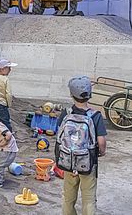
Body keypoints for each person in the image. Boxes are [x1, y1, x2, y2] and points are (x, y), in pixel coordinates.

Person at [55, 75, 107, 215]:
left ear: (71, 94)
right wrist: (101, 152)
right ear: (90, 95)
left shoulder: (66, 113)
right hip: (88, 163)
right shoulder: (95, 115)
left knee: (68, 197)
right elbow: (101, 141)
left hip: (68, 161)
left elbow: (59, 134)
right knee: (89, 198)